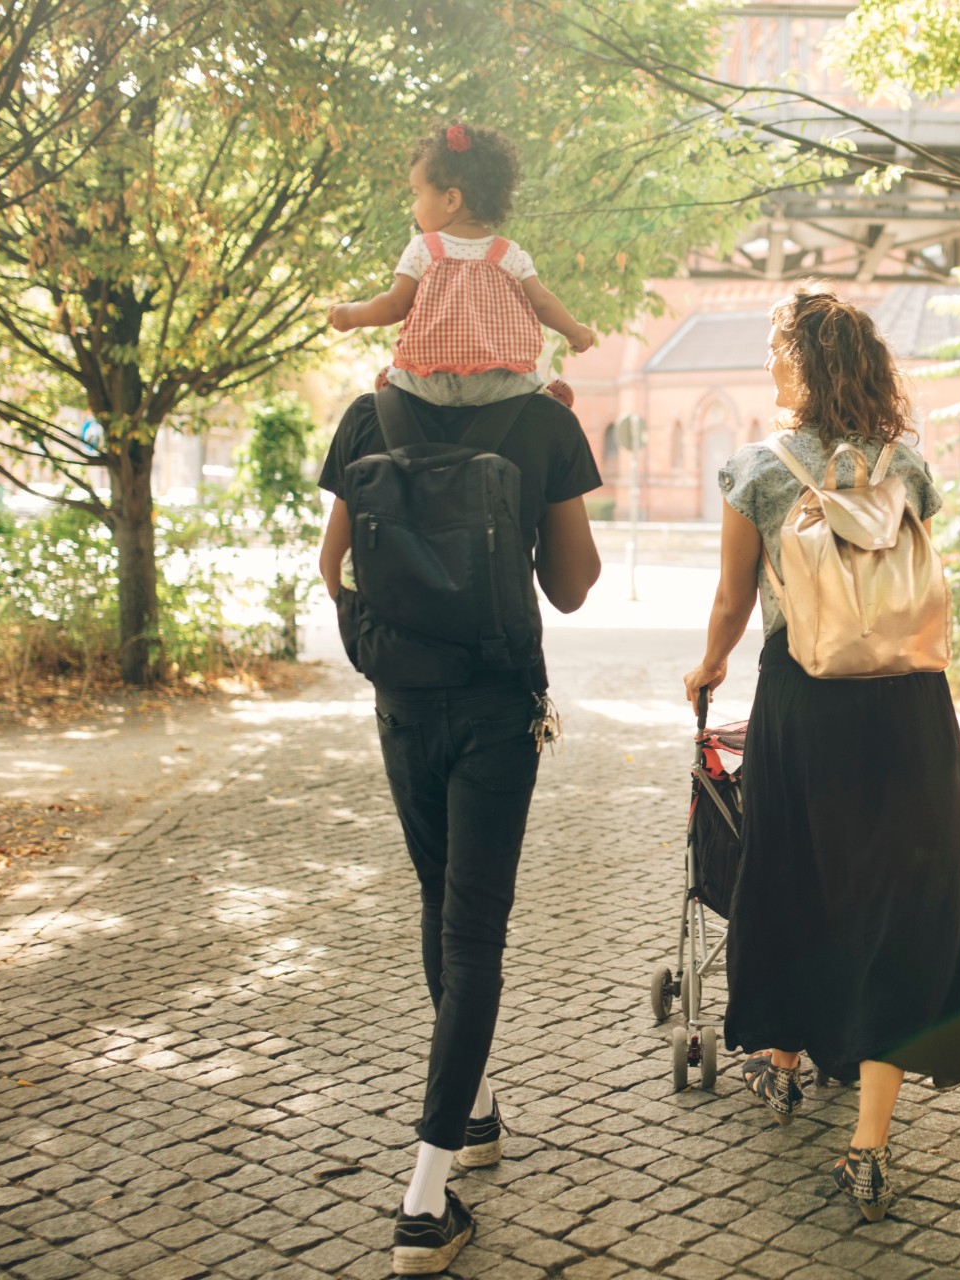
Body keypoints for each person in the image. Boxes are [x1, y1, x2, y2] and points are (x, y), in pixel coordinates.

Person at [681, 285, 960, 1223]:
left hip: (805, 703)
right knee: (898, 903)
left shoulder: (757, 471)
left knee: (796, 878)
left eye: (779, 350)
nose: (769, 365)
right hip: (911, 706)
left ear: (805, 364)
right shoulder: (907, 466)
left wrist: (708, 667)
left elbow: (733, 601)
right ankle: (870, 1146)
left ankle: (782, 1064)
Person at [318, 387, 601, 1273]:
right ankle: (423, 1202)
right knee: (474, 933)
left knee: (438, 900)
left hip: (402, 701)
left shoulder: (369, 417)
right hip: (496, 703)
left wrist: (385, 646)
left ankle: (476, 1112)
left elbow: (333, 567)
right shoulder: (543, 420)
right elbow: (573, 588)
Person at [328, 121, 597, 422]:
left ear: (451, 200)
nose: (414, 206)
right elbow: (543, 303)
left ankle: (392, 383)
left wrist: (351, 315)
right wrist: (575, 331)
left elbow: (394, 305)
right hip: (500, 385)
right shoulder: (509, 254)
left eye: (417, 194)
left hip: (428, 383)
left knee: (400, 374)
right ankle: (546, 397)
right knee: (528, 384)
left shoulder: (423, 249)